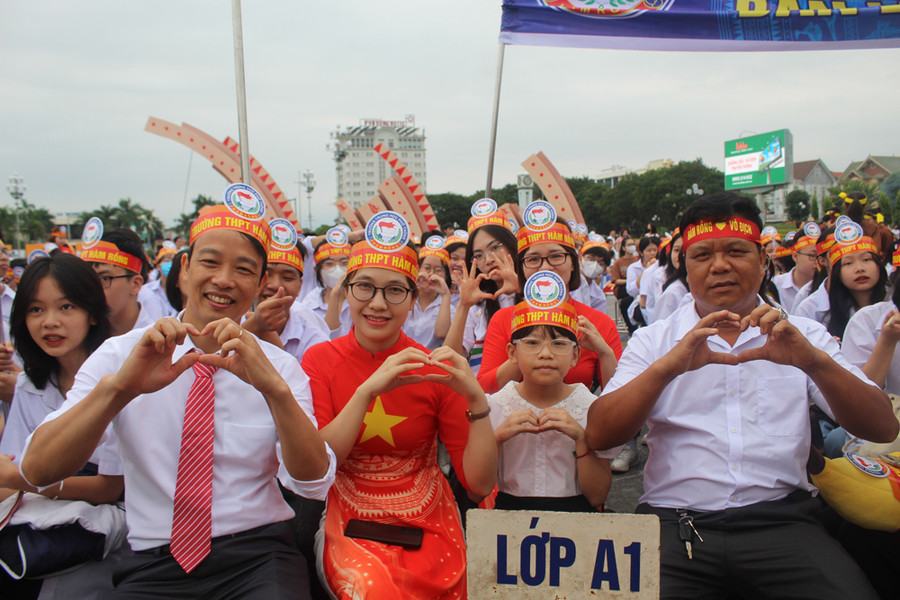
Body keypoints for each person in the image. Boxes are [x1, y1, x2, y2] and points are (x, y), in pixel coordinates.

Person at [20, 193, 336, 599]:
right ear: (185, 269)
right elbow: (37, 469)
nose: (223, 279)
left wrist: (274, 390)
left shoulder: (278, 367)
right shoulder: (123, 355)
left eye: (243, 269)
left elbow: (312, 483)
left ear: (259, 285)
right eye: (209, 262)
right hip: (154, 561)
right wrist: (121, 390)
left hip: (257, 557)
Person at [586, 192, 897, 600]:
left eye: (736, 251)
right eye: (702, 256)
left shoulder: (804, 335)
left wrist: (813, 362)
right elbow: (600, 434)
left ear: (764, 261)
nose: (719, 266)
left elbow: (881, 425)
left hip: (784, 523)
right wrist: (666, 369)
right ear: (684, 265)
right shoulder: (654, 341)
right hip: (674, 526)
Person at [302, 214, 497, 598]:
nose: (378, 304)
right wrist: (366, 392)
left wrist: (475, 398)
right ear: (346, 291)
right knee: (372, 589)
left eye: (394, 291)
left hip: (429, 516)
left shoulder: (433, 367)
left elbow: (478, 483)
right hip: (350, 515)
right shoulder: (319, 361)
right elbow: (321, 464)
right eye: (364, 288)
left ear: (411, 299)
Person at [0, 253, 123, 599]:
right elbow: (11, 469)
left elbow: (109, 488)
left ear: (93, 313)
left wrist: (28, 480)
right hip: (39, 529)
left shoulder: (120, 378)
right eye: (36, 310)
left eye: (66, 307)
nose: (49, 322)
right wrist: (20, 479)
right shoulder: (29, 385)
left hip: (105, 535)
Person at [488, 286, 617, 513]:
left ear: (575, 355)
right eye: (532, 342)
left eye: (559, 344)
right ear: (511, 352)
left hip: (575, 521)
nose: (545, 353)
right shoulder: (495, 406)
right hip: (507, 524)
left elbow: (597, 495)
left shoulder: (590, 408)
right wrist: (496, 439)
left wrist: (580, 438)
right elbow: (477, 487)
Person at [477, 208, 621, 397]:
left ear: (573, 263)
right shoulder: (504, 319)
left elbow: (621, 400)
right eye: (533, 259)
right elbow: (484, 390)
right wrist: (524, 352)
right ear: (522, 267)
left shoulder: (598, 324)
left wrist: (604, 354)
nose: (545, 267)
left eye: (556, 256)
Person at [445, 201, 518, 375]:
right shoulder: (479, 303)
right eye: (479, 255)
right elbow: (450, 359)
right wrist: (464, 305)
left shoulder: (539, 290)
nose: (489, 259)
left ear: (511, 244)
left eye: (495, 247)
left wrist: (520, 291)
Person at [241, 226, 329, 364]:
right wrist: (249, 329)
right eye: (267, 275)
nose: (275, 285)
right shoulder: (227, 318)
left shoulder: (315, 341)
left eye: (287, 277)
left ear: (299, 286)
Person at [81, 228, 155, 336]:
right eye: (87, 279)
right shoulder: (77, 342)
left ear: (135, 284)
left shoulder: (159, 345)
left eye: (104, 279)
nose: (92, 288)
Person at [402, 241, 453, 349]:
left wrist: (446, 294)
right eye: (427, 267)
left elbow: (441, 333)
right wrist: (411, 285)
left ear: (446, 275)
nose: (431, 274)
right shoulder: (405, 298)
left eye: (438, 270)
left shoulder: (448, 307)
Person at [298, 238, 352, 339]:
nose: (337, 269)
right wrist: (334, 296)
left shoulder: (361, 299)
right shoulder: (310, 303)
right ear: (316, 270)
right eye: (329, 263)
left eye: (344, 262)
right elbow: (325, 339)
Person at [772, 225, 818, 314]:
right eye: (812, 256)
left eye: (821, 257)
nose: (817, 261)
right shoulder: (776, 284)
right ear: (795, 256)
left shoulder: (825, 288)